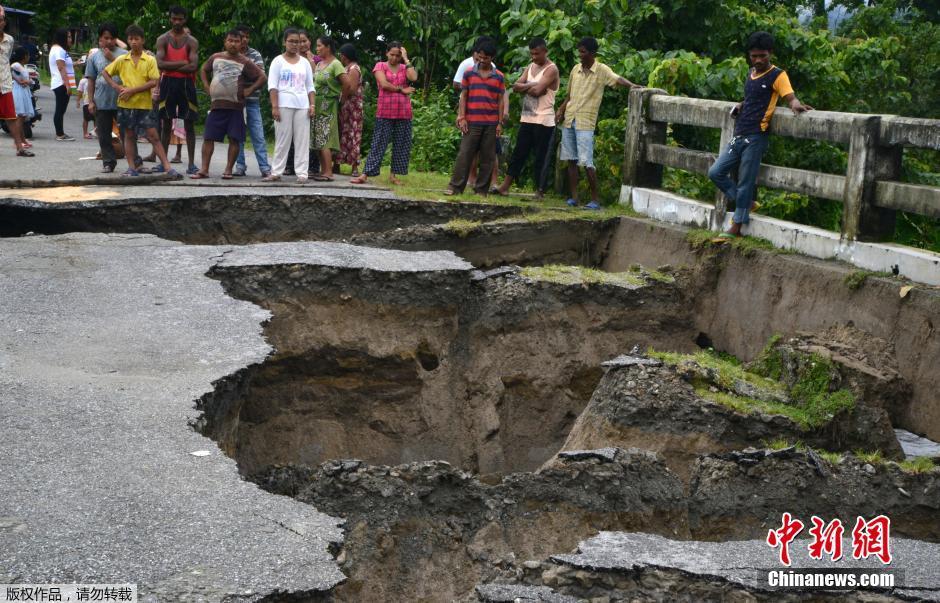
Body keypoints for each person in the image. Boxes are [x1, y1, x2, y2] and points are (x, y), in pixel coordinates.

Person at [708, 31, 812, 239]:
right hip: (739, 134)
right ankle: (746, 202)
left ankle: (736, 228)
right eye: (754, 56)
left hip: (756, 136)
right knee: (715, 172)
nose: (758, 60)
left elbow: (789, 97)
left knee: (746, 181)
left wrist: (796, 105)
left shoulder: (777, 75)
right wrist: (741, 105)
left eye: (762, 56)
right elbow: (752, 97)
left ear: (770, 53)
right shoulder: (751, 73)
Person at [556, 36, 642, 209]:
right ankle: (574, 198)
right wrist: (561, 110)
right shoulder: (575, 70)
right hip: (569, 119)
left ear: (592, 53)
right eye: (579, 51)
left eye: (583, 52)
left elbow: (617, 79)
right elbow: (569, 95)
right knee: (571, 160)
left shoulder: (601, 70)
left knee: (587, 162)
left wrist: (632, 85)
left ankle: (595, 199)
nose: (580, 55)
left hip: (586, 122)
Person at [103, 24, 179, 177]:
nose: (133, 42)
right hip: (126, 104)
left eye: (136, 39)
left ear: (142, 40)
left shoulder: (149, 59)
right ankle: (132, 167)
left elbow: (154, 81)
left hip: (144, 105)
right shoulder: (122, 59)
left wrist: (132, 90)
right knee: (129, 135)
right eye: (130, 39)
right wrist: (117, 87)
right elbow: (105, 73)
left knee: (153, 136)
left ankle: (167, 167)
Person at [191, 30, 266, 179]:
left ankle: (228, 170)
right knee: (209, 137)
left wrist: (249, 90)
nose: (233, 44)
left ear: (241, 43)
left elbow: (262, 77)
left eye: (236, 41)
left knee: (234, 138)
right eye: (230, 40)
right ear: (225, 42)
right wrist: (206, 86)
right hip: (216, 106)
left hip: (236, 107)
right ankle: (204, 169)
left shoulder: (245, 61)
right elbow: (203, 70)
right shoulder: (216, 57)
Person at [495, 37, 558, 198]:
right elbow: (516, 87)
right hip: (527, 118)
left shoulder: (551, 69)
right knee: (519, 153)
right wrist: (532, 85)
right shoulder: (530, 66)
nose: (534, 57)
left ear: (545, 51)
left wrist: (526, 87)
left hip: (544, 120)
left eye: (537, 54)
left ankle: (540, 191)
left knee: (541, 157)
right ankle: (505, 186)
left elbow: (538, 92)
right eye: (531, 54)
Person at [350, 42, 417, 186]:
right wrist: (402, 90)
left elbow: (413, 78)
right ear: (386, 53)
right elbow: (384, 84)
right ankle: (365, 174)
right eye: (392, 54)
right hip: (385, 111)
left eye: (398, 55)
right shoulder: (380, 66)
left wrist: (406, 58)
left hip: (404, 112)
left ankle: (393, 175)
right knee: (378, 143)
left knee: (401, 145)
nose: (394, 58)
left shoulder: (405, 67)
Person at [445, 39, 505, 196]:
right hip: (472, 121)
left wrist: (499, 122)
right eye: (480, 57)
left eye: (486, 58)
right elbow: (464, 96)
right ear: (477, 55)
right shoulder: (469, 73)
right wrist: (462, 117)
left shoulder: (499, 76)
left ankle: (481, 190)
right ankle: (455, 187)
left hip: (491, 123)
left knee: (488, 157)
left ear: (492, 58)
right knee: (465, 154)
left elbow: (500, 100)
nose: (483, 60)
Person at [264, 27, 316, 183]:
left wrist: (312, 105)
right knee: (282, 139)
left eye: (298, 42)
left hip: (302, 105)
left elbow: (310, 86)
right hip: (283, 104)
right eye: (291, 41)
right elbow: (272, 86)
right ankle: (276, 172)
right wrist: (275, 106)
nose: (295, 45)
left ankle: (302, 174)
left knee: (302, 140)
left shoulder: (305, 63)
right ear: (284, 42)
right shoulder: (277, 61)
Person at [156, 7, 199, 174]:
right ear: (170, 19)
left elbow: (194, 66)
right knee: (165, 123)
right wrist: (183, 63)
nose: (177, 22)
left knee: (189, 123)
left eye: (180, 19)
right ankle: (164, 162)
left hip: (186, 84)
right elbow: (159, 64)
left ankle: (191, 164)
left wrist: (172, 65)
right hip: (167, 82)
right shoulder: (162, 39)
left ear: (185, 19)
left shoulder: (191, 41)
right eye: (174, 19)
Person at [85, 22, 127, 173]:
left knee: (126, 133)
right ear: (101, 38)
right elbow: (91, 79)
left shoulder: (123, 55)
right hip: (101, 100)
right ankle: (108, 162)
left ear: (116, 39)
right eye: (105, 38)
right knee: (104, 134)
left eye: (112, 38)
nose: (109, 41)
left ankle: (134, 161)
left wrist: (111, 58)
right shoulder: (94, 57)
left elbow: (129, 74)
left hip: (122, 100)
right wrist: (90, 101)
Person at [232, 24, 271, 178]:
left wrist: (249, 87)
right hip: (235, 101)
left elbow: (260, 76)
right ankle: (240, 166)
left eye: (247, 37)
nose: (244, 40)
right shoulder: (230, 54)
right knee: (237, 135)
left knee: (258, 135)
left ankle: (264, 167)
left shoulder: (255, 54)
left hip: (252, 100)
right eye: (242, 37)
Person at [309, 36, 345, 181]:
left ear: (328, 47)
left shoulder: (336, 64)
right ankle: (323, 171)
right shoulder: (319, 64)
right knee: (317, 139)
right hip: (317, 104)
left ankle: (328, 172)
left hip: (328, 105)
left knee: (325, 138)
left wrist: (341, 99)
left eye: (319, 46)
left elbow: (347, 83)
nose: (317, 49)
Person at [0, 8, 31, 157]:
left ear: (4, 22)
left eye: (1, 19)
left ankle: (20, 147)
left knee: (11, 117)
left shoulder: (9, 40)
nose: (0, 22)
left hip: (5, 83)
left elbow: (7, 60)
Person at [336, 43, 363, 177]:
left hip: (353, 107)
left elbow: (351, 88)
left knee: (353, 134)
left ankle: (354, 167)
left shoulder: (353, 68)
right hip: (345, 106)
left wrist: (342, 99)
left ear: (345, 56)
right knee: (341, 133)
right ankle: (337, 163)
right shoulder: (345, 67)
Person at [49, 27, 76, 141]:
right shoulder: (59, 50)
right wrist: (68, 85)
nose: (70, 39)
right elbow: (61, 67)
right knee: (60, 109)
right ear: (63, 37)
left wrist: (76, 63)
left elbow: (63, 65)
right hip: (61, 83)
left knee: (61, 109)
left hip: (60, 83)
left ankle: (61, 133)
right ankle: (60, 134)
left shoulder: (56, 49)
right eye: (68, 37)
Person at [10, 46, 34, 149]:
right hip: (19, 91)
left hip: (23, 91)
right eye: (27, 55)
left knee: (22, 117)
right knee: (20, 116)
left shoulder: (21, 66)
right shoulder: (16, 65)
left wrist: (27, 81)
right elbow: (24, 79)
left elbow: (28, 80)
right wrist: (23, 81)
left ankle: (22, 140)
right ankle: (17, 141)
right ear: (24, 56)